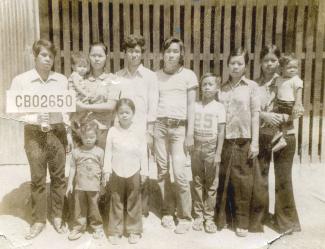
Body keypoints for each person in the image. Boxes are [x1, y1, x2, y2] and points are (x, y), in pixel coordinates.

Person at [9, 39, 72, 239]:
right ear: (35, 56)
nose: (47, 59)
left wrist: (68, 134)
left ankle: (57, 216)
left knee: (59, 177)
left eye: (51, 56)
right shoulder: (21, 80)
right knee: (37, 178)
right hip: (34, 134)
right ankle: (38, 220)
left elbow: (67, 112)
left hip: (57, 132)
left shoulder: (62, 80)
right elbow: (12, 113)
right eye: (43, 55)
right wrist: (33, 118)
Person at [154, 37, 198, 234]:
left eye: (175, 51)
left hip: (179, 129)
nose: (171, 55)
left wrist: (190, 133)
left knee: (180, 172)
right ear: (162, 54)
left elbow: (191, 106)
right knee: (162, 170)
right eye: (168, 51)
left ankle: (185, 216)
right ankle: (167, 212)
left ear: (181, 54)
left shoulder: (189, 76)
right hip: (160, 127)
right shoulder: (155, 76)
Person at [216, 47, 260, 237]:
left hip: (244, 140)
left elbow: (255, 115)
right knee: (225, 179)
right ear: (227, 65)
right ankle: (225, 219)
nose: (235, 66)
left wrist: (255, 142)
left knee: (243, 182)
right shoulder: (222, 89)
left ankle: (242, 223)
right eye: (232, 63)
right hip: (226, 140)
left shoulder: (251, 87)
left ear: (245, 66)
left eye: (239, 63)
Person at [115, 34, 158, 217]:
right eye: (130, 51)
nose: (134, 55)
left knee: (141, 169)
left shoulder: (150, 76)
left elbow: (153, 105)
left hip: (141, 131)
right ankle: (124, 208)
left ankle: (141, 210)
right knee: (123, 167)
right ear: (125, 53)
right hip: (122, 130)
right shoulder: (117, 76)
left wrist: (150, 132)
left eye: (137, 51)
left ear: (142, 54)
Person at [103, 98, 148, 245]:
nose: (124, 115)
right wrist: (107, 170)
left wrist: (144, 171)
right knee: (116, 200)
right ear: (117, 114)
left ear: (133, 113)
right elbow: (108, 152)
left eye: (127, 112)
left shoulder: (139, 130)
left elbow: (143, 152)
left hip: (134, 169)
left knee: (134, 200)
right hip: (116, 170)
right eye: (121, 112)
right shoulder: (112, 131)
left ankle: (134, 230)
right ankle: (115, 231)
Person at [250, 44, 281, 232]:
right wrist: (264, 116)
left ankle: (280, 219)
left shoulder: (284, 82)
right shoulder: (256, 84)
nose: (269, 64)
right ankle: (260, 217)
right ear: (260, 63)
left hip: (279, 135)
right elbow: (252, 109)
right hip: (261, 134)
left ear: (278, 62)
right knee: (260, 176)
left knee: (279, 177)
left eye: (273, 60)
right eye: (265, 61)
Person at [191, 73, 225, 233]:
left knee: (211, 184)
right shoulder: (195, 105)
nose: (207, 87)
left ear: (217, 88)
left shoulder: (219, 107)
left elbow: (221, 132)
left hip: (212, 148)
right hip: (197, 147)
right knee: (197, 182)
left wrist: (218, 153)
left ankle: (209, 218)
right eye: (204, 84)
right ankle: (198, 216)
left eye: (211, 84)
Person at [74, 42, 119, 149]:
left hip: (103, 131)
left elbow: (110, 106)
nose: (97, 59)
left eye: (100, 56)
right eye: (93, 55)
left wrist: (85, 107)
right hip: (83, 131)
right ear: (89, 56)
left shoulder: (112, 79)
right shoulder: (81, 79)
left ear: (106, 57)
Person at [66, 121, 105, 240]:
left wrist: (103, 184)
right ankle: (78, 227)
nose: (89, 140)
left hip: (94, 186)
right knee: (79, 208)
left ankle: (97, 227)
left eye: (92, 137)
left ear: (96, 137)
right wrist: (69, 184)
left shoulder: (99, 151)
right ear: (81, 136)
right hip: (80, 186)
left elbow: (103, 169)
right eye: (86, 137)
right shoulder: (76, 152)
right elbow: (72, 168)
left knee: (94, 208)